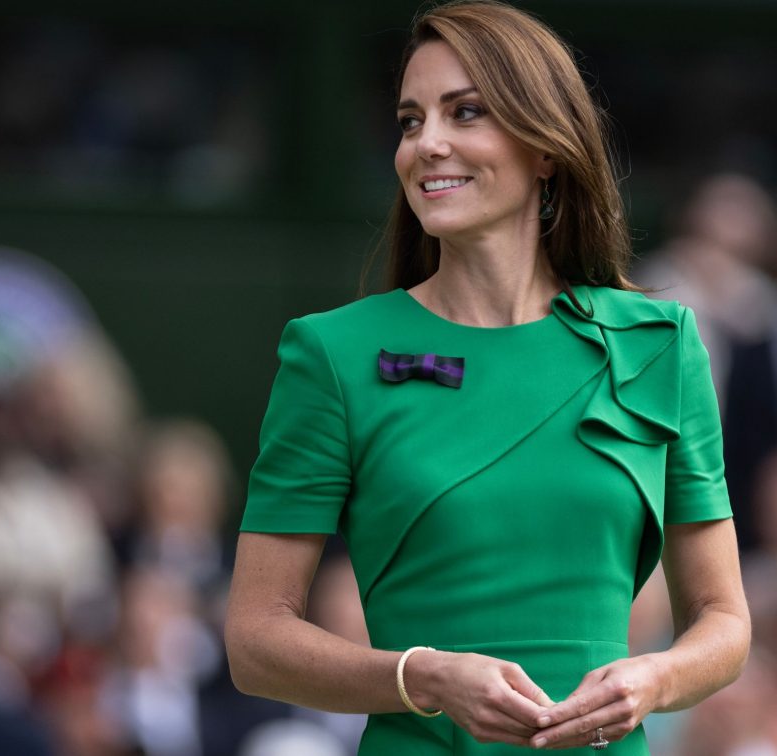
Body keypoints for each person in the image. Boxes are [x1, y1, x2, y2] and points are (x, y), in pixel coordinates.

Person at [223, 2, 750, 754]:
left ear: (546, 147)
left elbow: (724, 621)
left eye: (464, 112)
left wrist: (654, 680)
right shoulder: (332, 353)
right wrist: (425, 676)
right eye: (410, 121)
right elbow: (255, 640)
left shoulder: (658, 346)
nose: (427, 143)